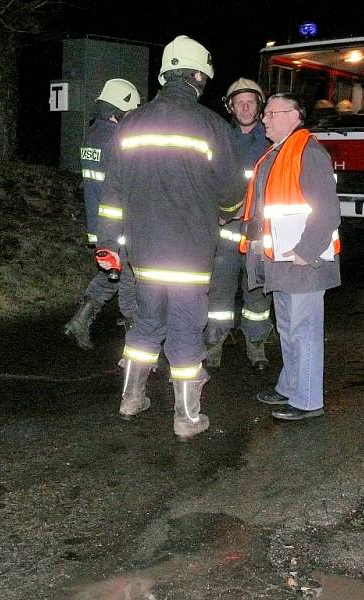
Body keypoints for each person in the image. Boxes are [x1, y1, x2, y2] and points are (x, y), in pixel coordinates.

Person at [96, 35, 246, 438]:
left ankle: (131, 398)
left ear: (165, 75)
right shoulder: (212, 126)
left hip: (143, 253)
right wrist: (224, 215)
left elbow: (112, 194)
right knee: (184, 328)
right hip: (190, 253)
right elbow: (233, 193)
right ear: (197, 75)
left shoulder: (131, 123)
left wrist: (107, 243)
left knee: (146, 324)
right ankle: (186, 418)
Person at [239, 93, 341, 421]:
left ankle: (308, 400)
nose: (264, 118)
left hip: (302, 261)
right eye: (265, 113)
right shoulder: (278, 152)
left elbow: (327, 211)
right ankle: (290, 386)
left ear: (294, 115)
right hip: (281, 260)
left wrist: (304, 252)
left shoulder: (308, 151)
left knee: (304, 329)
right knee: (288, 328)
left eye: (271, 113)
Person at [63, 78, 141, 350]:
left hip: (99, 224)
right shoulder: (119, 141)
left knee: (112, 275)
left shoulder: (93, 135)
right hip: (118, 225)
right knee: (131, 279)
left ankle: (80, 320)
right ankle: (137, 344)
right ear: (120, 110)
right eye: (131, 113)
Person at [204, 77, 272, 370]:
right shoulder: (220, 139)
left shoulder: (272, 141)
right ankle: (214, 343)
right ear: (231, 107)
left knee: (257, 290)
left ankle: (256, 345)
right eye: (239, 102)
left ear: (259, 106)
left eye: (251, 101)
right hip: (226, 230)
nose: (245, 107)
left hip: (260, 231)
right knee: (219, 291)